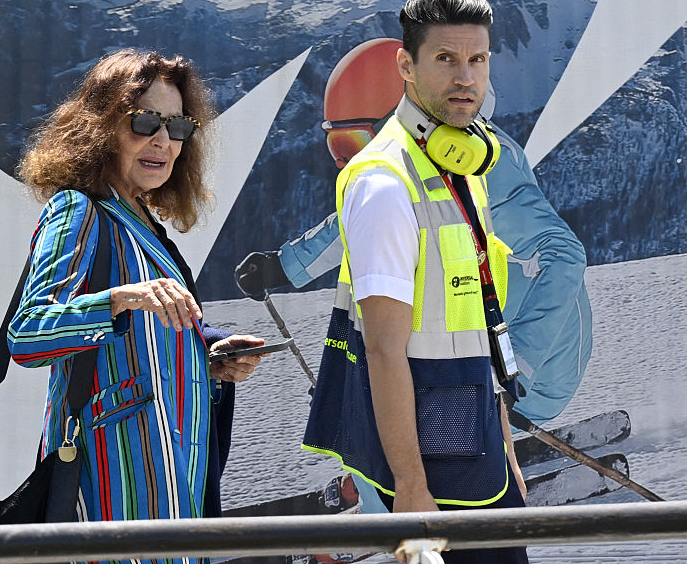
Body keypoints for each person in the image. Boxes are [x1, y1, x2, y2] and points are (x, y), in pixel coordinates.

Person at [8, 49, 267, 564]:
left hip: (172, 492)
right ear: (102, 128)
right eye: (145, 121)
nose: (163, 141)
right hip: (111, 493)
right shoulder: (78, 209)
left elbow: (145, 349)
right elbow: (29, 334)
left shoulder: (145, 221)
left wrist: (210, 356)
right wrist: (119, 299)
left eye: (177, 126)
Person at [235, 37, 590, 426]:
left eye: (356, 142)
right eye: (338, 144)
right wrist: (284, 266)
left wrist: (514, 371)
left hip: (536, 372)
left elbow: (563, 257)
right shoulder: (406, 166)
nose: (351, 162)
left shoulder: (484, 171)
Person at [302, 0, 530, 564]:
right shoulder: (385, 183)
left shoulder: (458, 167)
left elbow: (474, 322)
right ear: (407, 65)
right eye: (445, 59)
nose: (465, 77)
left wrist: (502, 444)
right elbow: (382, 348)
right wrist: (410, 486)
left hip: (473, 439)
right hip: (435, 464)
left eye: (477, 60)